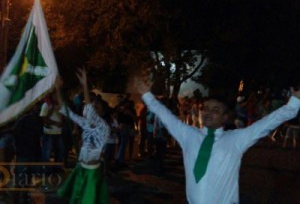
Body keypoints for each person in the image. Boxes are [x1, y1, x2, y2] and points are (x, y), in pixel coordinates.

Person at [134, 77, 300, 204]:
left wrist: (294, 104)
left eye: (215, 110)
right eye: (205, 108)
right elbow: (165, 116)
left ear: (225, 117)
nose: (207, 112)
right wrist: (147, 95)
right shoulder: (188, 134)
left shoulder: (236, 139)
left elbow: (267, 124)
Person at [55, 68, 110, 204]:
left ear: (102, 113)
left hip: (92, 173)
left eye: (97, 107)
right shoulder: (85, 123)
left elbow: (89, 110)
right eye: (93, 105)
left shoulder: (103, 127)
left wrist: (85, 85)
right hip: (81, 168)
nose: (92, 107)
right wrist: (57, 88)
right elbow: (64, 108)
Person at [13, 104, 43, 204]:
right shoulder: (23, 119)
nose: (38, 108)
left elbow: (40, 135)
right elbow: (15, 133)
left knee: (28, 177)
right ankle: (17, 199)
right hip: (24, 152)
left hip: (32, 152)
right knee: (21, 178)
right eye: (36, 107)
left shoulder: (38, 119)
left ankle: (23, 197)